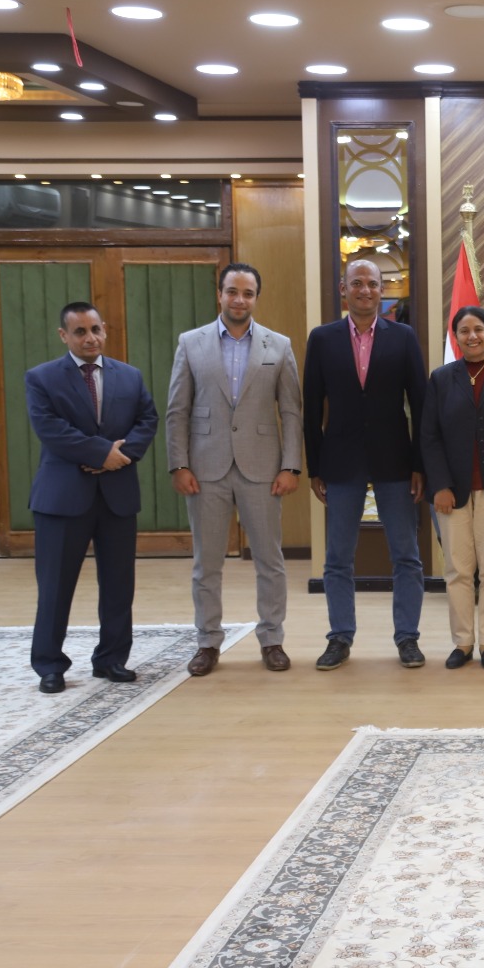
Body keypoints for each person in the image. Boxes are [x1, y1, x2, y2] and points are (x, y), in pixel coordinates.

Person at [166, 262, 303, 675]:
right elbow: (177, 410)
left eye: (247, 293)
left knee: (270, 561)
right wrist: (179, 463)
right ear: (220, 294)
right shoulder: (191, 343)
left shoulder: (279, 346)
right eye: (232, 291)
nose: (239, 300)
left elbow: (291, 411)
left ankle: (272, 639)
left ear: (256, 297)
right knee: (207, 564)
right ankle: (207, 642)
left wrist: (291, 466)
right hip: (205, 468)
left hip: (263, 468)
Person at [302, 259, 429, 671]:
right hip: (340, 462)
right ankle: (340, 637)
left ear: (382, 290)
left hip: (396, 461)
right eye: (356, 283)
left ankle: (407, 638)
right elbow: (310, 407)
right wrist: (314, 467)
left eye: (372, 283)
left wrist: (419, 464)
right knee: (338, 558)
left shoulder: (403, 337)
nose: (365, 290)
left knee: (406, 555)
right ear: (344, 289)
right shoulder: (322, 339)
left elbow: (421, 405)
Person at [24, 302, 158, 694]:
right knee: (55, 587)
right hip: (62, 498)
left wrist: (121, 456)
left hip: (117, 496)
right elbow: (50, 429)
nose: (90, 338)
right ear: (63, 335)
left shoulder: (129, 376)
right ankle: (50, 665)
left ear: (104, 329)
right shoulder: (41, 378)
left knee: (118, 585)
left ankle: (111, 659)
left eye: (95, 329)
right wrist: (102, 454)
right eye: (80, 331)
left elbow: (147, 420)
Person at [420, 305, 484, 670]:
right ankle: (462, 643)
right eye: (464, 331)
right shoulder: (441, 378)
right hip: (452, 493)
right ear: (456, 337)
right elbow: (429, 436)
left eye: (478, 329)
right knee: (458, 571)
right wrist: (440, 486)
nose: (472, 336)